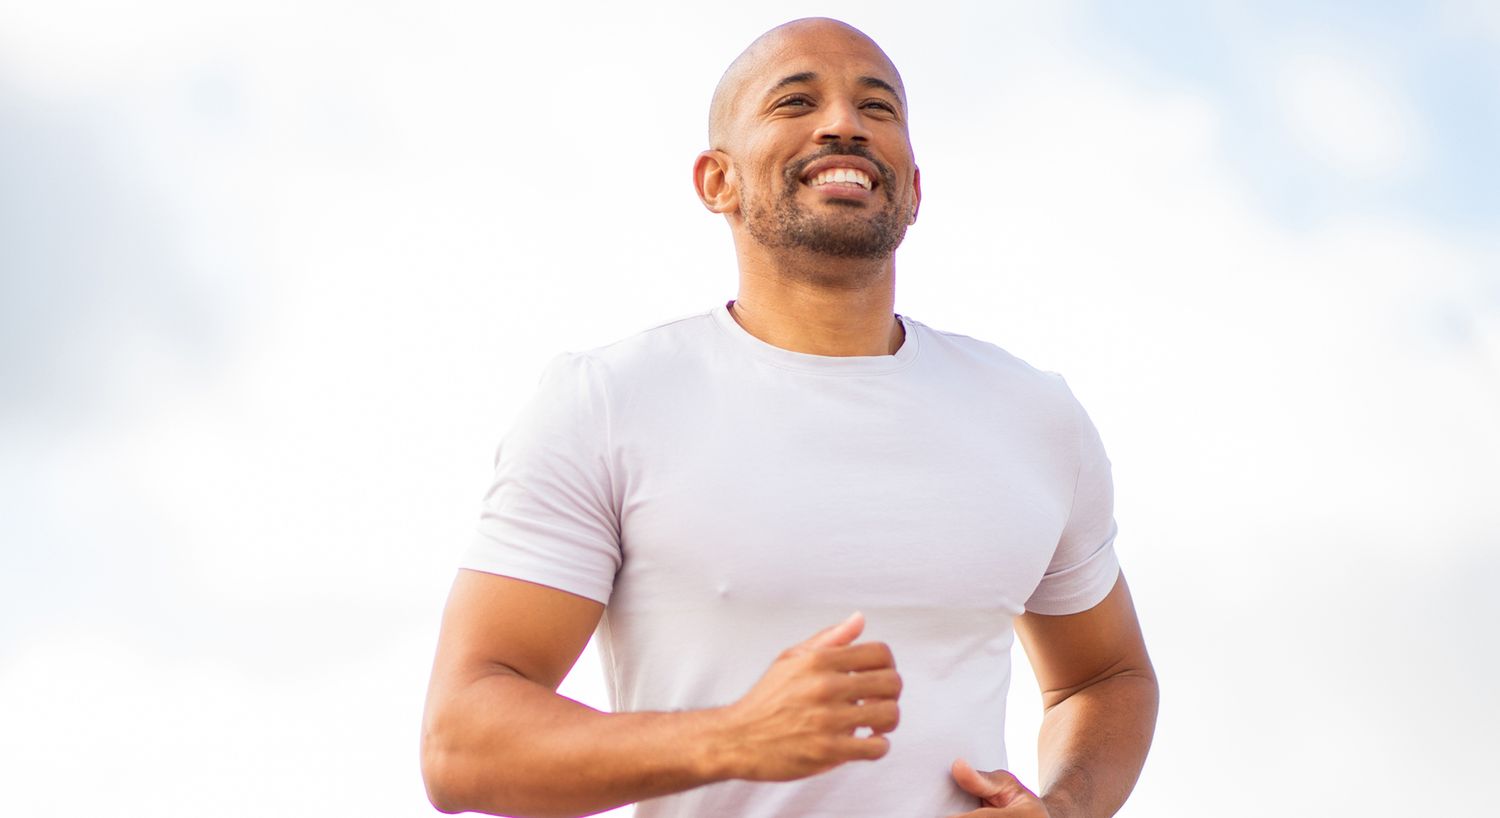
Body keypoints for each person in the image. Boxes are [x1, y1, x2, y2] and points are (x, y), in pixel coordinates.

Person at [421, 16, 1158, 818]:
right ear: (717, 182)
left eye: (877, 109)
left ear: (913, 190)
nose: (843, 123)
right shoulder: (607, 402)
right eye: (795, 102)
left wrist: (1066, 808)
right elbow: (461, 745)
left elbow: (1105, 677)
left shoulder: (1033, 415)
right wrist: (733, 738)